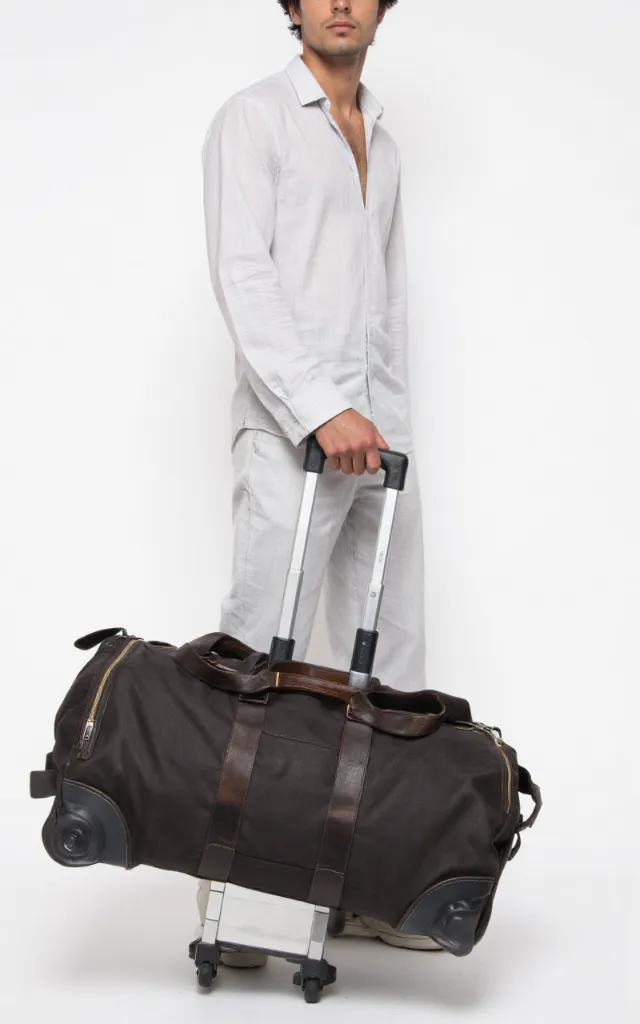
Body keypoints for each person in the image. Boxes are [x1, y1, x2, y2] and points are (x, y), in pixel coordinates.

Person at [196, 0, 440, 966]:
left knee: (395, 660)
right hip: (295, 435)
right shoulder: (253, 119)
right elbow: (241, 273)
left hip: (381, 441)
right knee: (261, 659)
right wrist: (316, 406)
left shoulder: (381, 133)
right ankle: (240, 897)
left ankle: (373, 885)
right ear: (291, 7)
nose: (341, 4)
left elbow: (386, 300)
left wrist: (389, 424)